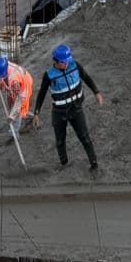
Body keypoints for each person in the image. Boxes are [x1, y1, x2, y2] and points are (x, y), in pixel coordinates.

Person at [34, 44, 105, 174]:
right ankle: (64, 163)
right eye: (64, 62)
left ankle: (94, 163)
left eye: (67, 61)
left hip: (76, 108)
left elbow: (86, 77)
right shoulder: (49, 75)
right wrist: (36, 113)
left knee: (85, 137)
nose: (67, 64)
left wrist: (96, 92)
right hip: (59, 112)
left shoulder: (74, 65)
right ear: (56, 61)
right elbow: (41, 93)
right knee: (60, 140)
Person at [0, 56, 35, 138]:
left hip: (23, 90)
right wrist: (0, 83)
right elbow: (2, 76)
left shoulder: (14, 83)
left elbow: (19, 101)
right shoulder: (5, 65)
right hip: (22, 80)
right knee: (12, 106)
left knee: (18, 110)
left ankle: (14, 133)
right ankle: (31, 117)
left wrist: (12, 116)